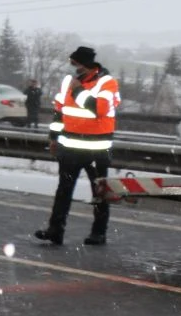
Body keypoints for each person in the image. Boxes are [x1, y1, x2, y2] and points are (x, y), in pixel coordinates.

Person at [35, 46, 120, 247]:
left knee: (99, 192)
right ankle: (55, 230)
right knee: (63, 191)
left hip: (96, 150)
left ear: (88, 65)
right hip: (70, 148)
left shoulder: (107, 83)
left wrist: (78, 90)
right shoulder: (69, 82)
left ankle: (99, 233)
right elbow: (59, 111)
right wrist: (54, 137)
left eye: (76, 64)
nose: (74, 68)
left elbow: (99, 109)